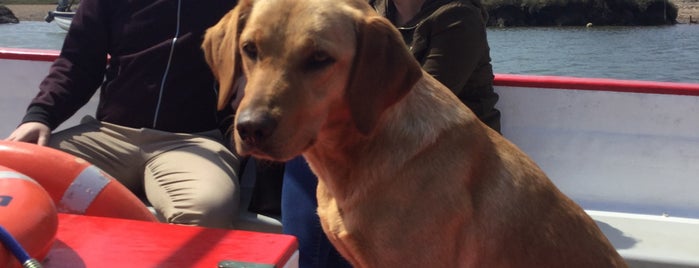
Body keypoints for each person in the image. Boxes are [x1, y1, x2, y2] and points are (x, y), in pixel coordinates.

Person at [279, 0, 501, 266]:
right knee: (309, 151)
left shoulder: (459, 17)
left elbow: (419, 103)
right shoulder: (373, 9)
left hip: (450, 153)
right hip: (387, 141)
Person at [5, 0, 241, 229]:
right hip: (107, 137)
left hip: (192, 142)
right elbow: (78, 63)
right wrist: (40, 116)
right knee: (11, 177)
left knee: (208, 212)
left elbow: (266, 53)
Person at [372, 0, 501, 132]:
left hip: (460, 145)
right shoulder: (368, 10)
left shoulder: (459, 16)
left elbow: (423, 108)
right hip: (391, 142)